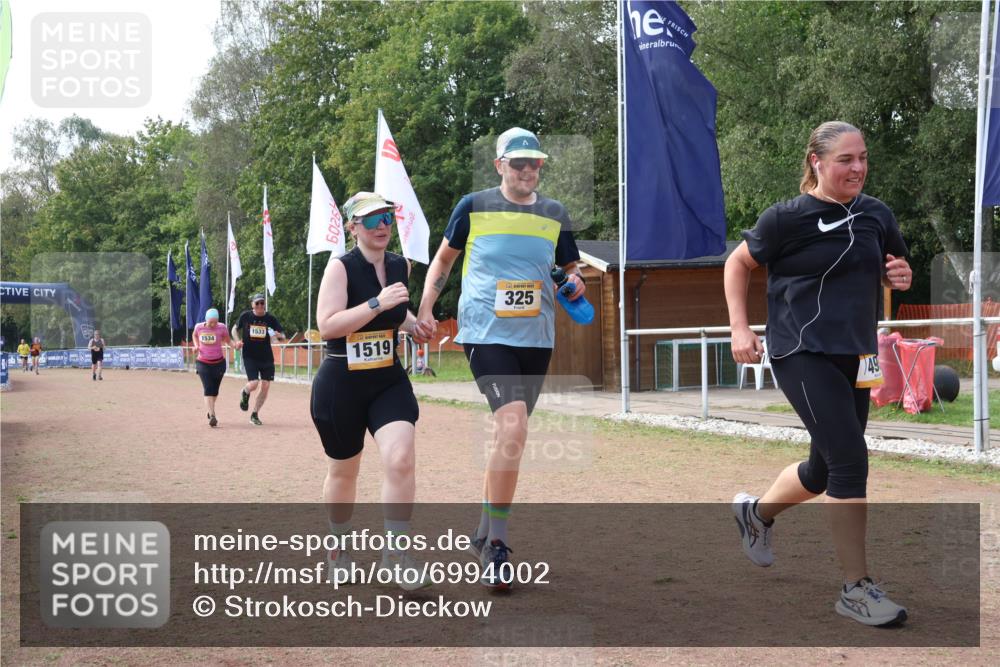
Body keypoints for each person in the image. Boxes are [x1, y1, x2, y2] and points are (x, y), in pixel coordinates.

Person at [724, 121, 913, 627]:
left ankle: (756, 513)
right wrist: (740, 329)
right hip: (800, 350)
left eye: (863, 158)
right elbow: (737, 264)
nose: (858, 168)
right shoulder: (786, 218)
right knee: (851, 459)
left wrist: (901, 274)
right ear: (816, 162)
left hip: (856, 355)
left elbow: (894, 264)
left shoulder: (876, 214)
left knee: (825, 470)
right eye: (845, 160)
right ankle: (856, 589)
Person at [416, 127, 585, 589]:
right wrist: (427, 306)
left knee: (506, 436)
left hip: (536, 336)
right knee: (513, 426)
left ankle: (483, 530)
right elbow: (444, 261)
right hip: (485, 332)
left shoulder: (555, 213)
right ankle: (497, 546)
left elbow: (571, 269)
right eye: (518, 163)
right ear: (499, 166)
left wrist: (576, 283)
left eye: (534, 163)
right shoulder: (473, 206)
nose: (528, 170)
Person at [312, 191, 431, 591]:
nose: (383, 225)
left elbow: (398, 313)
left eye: (387, 217)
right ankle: (338, 549)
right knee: (344, 472)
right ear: (352, 227)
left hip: (387, 379)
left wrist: (414, 324)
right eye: (373, 219)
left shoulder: (400, 265)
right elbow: (327, 325)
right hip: (341, 382)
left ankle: (396, 554)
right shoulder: (340, 269)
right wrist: (378, 303)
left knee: (400, 459)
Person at [231, 293, 286, 426]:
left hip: (266, 357)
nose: (260, 305)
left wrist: (277, 334)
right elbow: (234, 329)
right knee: (254, 383)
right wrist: (237, 341)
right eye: (257, 303)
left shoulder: (270, 318)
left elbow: (283, 336)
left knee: (266, 386)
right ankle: (245, 391)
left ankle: (255, 414)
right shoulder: (246, 316)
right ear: (253, 305)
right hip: (250, 356)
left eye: (262, 303)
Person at [192, 308, 230, 427]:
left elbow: (228, 340)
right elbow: (194, 335)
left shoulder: (222, 327)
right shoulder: (199, 327)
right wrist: (196, 346)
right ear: (206, 320)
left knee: (215, 391)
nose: (213, 324)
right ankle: (212, 415)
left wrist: (236, 345)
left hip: (219, 363)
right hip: (203, 362)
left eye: (215, 322)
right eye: (211, 322)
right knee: (208, 388)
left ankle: (210, 410)